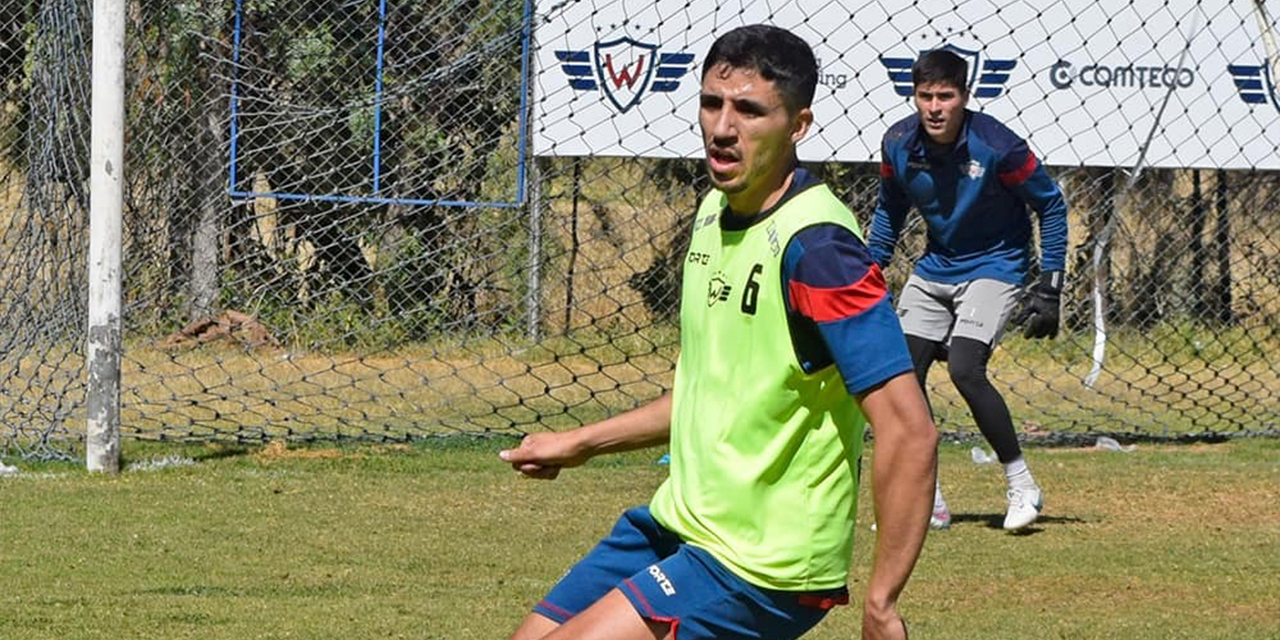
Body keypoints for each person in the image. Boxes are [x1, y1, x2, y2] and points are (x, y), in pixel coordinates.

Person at [498, 24, 938, 640]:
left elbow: (908, 429)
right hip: (681, 524)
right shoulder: (713, 212)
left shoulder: (820, 251)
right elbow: (708, 395)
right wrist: (581, 443)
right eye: (712, 103)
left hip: (761, 564)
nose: (722, 128)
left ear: (799, 124)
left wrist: (882, 602)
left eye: (749, 110)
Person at [868, 48, 1069, 531]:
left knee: (965, 367)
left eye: (945, 96)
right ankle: (928, 498)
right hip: (936, 267)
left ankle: (1022, 485)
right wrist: (868, 275)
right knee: (901, 376)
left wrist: (1051, 286)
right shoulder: (897, 142)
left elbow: (1052, 205)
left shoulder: (998, 145)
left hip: (997, 265)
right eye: (924, 96)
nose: (934, 107)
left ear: (965, 97)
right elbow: (888, 214)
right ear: (913, 97)